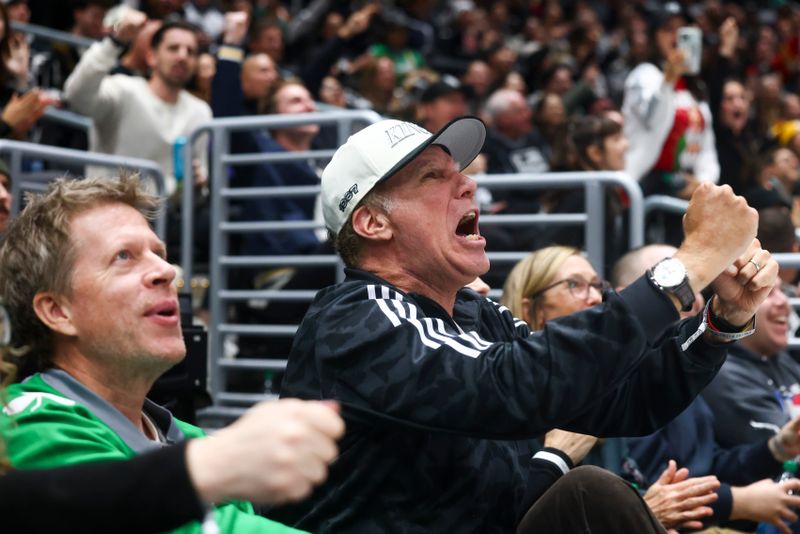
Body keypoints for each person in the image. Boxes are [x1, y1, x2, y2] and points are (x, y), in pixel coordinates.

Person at [272, 116, 775, 532]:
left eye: (459, 172)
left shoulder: (475, 312)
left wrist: (721, 323)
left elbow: (627, 401)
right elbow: (514, 386)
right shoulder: (355, 316)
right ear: (373, 223)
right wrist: (688, 266)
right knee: (590, 495)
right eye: (432, 177)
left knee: (594, 497)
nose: (468, 183)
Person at [0, 175, 344, 534]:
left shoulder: (188, 437)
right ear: (58, 311)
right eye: (124, 256)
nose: (166, 271)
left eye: (160, 254)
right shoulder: (28, 427)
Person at [500, 245, 720, 531]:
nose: (594, 297)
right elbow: (500, 518)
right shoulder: (504, 390)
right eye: (574, 285)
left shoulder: (605, 385)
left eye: (596, 285)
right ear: (531, 309)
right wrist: (555, 458)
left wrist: (643, 506)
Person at [616, 244, 800, 532]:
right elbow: (650, 493)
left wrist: (775, 449)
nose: (696, 300)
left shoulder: (681, 376)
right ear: (626, 296)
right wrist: (736, 501)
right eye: (676, 283)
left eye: (697, 285)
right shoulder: (619, 380)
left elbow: (710, 467)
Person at [63, 10, 212, 194]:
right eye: (173, 48)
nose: (182, 56)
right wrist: (114, 42)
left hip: (166, 217)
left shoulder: (200, 111)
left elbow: (201, 175)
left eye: (190, 51)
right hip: (108, 210)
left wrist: (199, 183)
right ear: (151, 56)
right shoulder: (123, 89)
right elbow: (76, 95)